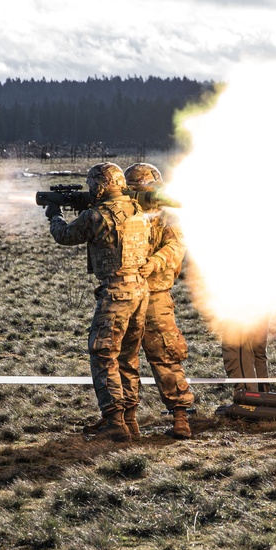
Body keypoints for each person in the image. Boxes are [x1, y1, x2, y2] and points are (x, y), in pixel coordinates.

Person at [44, 162, 150, 442]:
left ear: (100, 186)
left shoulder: (97, 216)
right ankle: (130, 420)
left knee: (103, 354)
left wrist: (54, 215)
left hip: (116, 294)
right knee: (128, 357)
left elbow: (64, 236)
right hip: (140, 290)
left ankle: (114, 421)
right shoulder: (138, 210)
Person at [124, 162, 194, 440]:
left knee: (165, 355)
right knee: (123, 359)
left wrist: (156, 262)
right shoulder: (125, 215)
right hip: (126, 295)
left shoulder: (169, 216)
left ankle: (180, 415)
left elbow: (176, 246)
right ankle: (124, 420)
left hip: (155, 296)